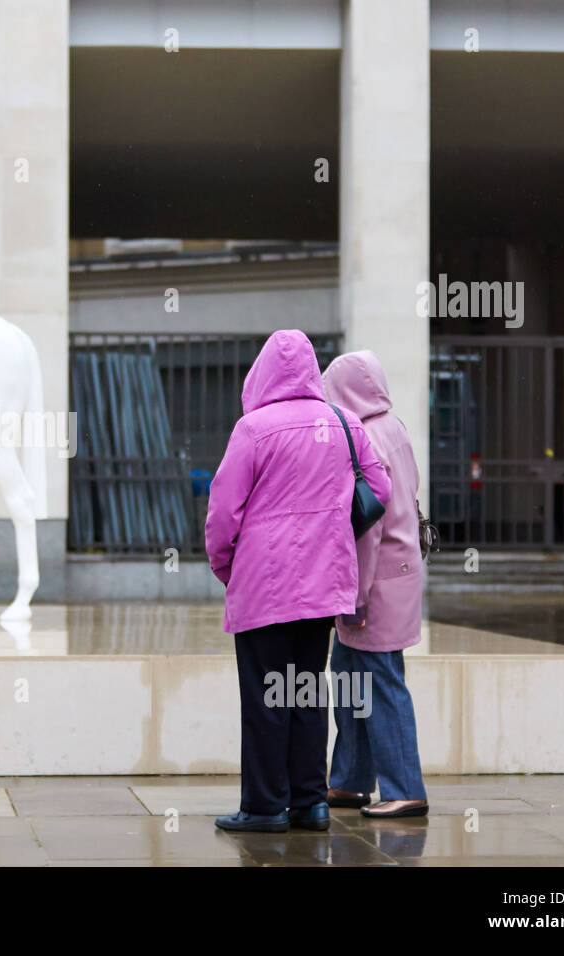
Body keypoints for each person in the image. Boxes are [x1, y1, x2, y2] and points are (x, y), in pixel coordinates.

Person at [206, 330, 391, 833]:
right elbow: (379, 488)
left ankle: (264, 807)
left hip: (264, 586)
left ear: (262, 372)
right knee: (306, 692)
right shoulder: (344, 422)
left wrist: (226, 566)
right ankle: (310, 803)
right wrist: (332, 530)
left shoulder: (254, 428)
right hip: (323, 581)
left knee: (267, 697)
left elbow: (224, 513)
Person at [321, 350, 429, 818]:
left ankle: (406, 789)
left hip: (378, 580)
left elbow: (368, 528)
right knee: (349, 674)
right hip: (401, 572)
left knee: (381, 682)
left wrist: (355, 596)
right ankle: (349, 781)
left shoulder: (362, 436)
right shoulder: (396, 428)